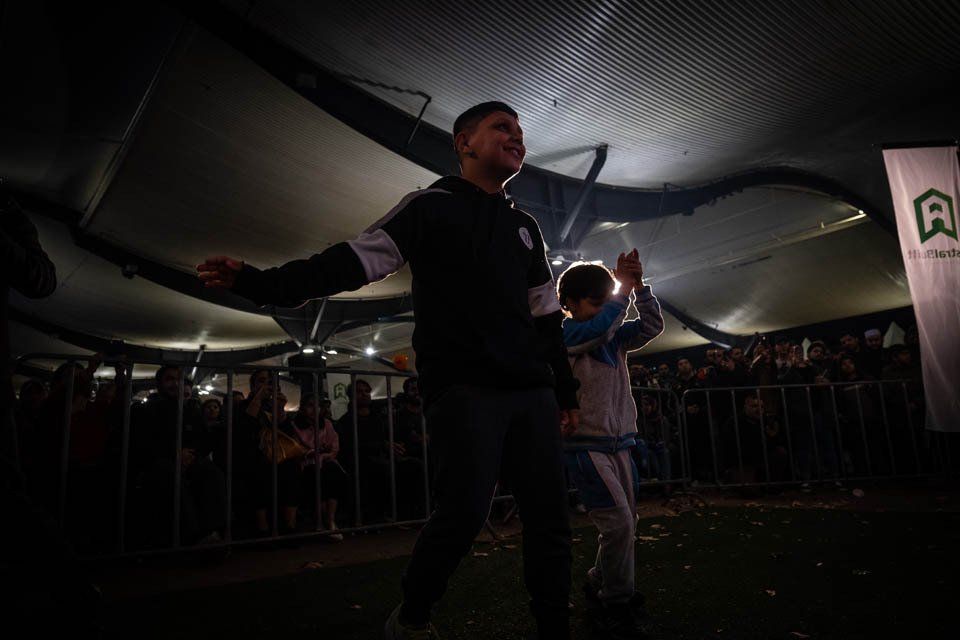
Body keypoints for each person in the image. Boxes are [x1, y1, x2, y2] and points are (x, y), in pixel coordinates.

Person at [197, 101, 579, 639]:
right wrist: (260, 283)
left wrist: (564, 393)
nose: (516, 137)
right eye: (501, 127)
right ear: (464, 143)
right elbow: (351, 262)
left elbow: (545, 320)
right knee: (464, 513)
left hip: (531, 391)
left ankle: (554, 626)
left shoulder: (526, 227)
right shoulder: (429, 206)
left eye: (520, 131)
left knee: (551, 518)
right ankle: (414, 616)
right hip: (465, 388)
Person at [558, 249, 664, 638]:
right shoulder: (567, 335)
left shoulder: (613, 335)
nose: (608, 309)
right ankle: (617, 599)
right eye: (596, 301)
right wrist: (621, 295)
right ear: (569, 303)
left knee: (625, 523)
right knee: (618, 523)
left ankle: (598, 578)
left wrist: (639, 288)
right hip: (586, 446)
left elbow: (651, 325)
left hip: (620, 443)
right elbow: (597, 330)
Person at [293, 392, 345, 541]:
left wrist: (321, 455)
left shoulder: (326, 424)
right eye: (310, 405)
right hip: (307, 465)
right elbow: (298, 450)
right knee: (316, 477)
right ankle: (324, 521)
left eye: (317, 406)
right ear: (302, 408)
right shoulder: (295, 426)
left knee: (332, 474)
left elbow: (334, 446)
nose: (314, 409)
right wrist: (314, 453)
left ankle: (330, 520)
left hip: (326, 462)